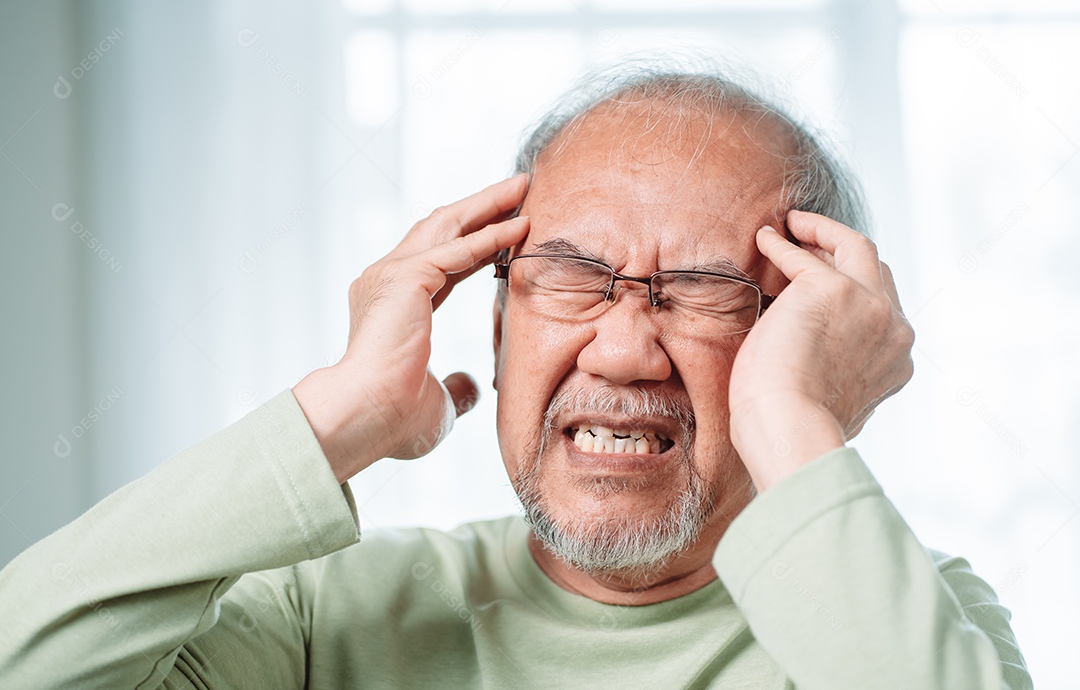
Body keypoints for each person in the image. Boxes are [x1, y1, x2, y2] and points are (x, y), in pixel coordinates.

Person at [0, 65, 1031, 689]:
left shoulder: (917, 618)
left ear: (808, 337)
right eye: (572, 278)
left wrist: (796, 423)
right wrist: (335, 417)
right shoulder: (329, 616)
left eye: (709, 293)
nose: (623, 350)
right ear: (495, 331)